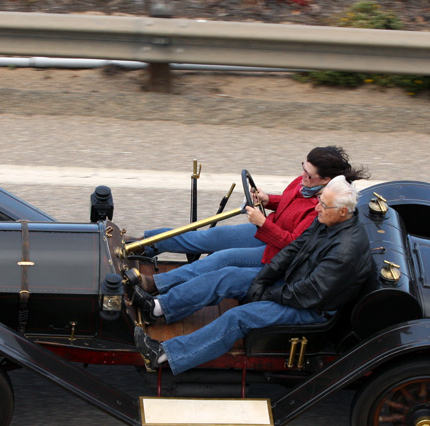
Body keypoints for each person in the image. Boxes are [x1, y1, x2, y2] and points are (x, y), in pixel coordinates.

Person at [133, 175, 371, 375]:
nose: (317, 207)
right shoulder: (329, 219)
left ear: (342, 211)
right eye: (319, 201)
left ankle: (164, 355)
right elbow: (294, 250)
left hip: (311, 308)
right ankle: (156, 308)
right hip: (294, 281)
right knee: (228, 276)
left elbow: (309, 293)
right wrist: (264, 277)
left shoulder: (344, 252)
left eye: (323, 205)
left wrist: (267, 292)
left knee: (239, 317)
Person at [129, 147, 368, 324]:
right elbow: (289, 201)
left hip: (274, 246)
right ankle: (143, 245)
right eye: (302, 168)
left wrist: (263, 223)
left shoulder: (322, 207)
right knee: (205, 239)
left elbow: (293, 245)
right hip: (267, 229)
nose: (302, 175)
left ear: (325, 181)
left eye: (308, 174)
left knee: (220, 261)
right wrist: (268, 200)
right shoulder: (305, 184)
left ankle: (156, 285)